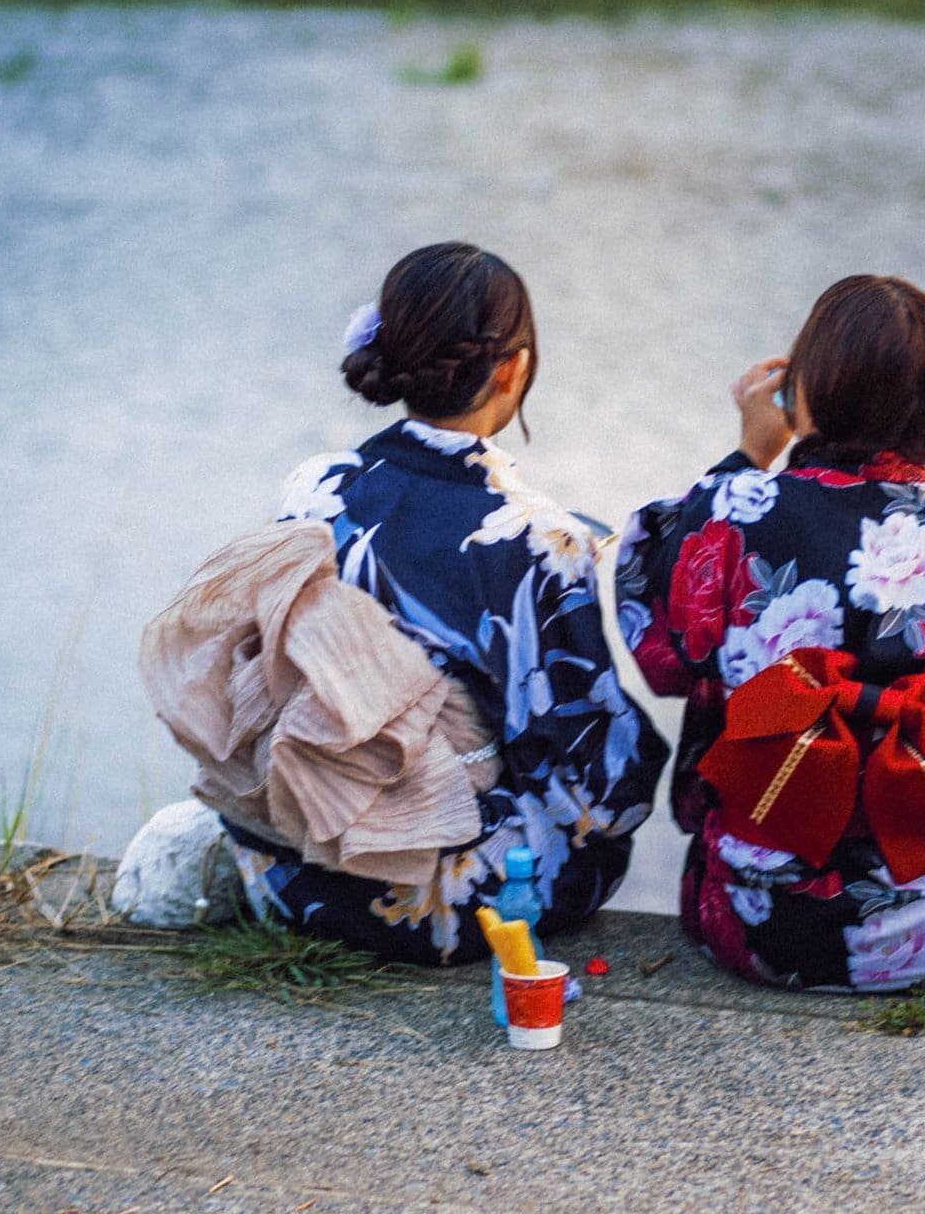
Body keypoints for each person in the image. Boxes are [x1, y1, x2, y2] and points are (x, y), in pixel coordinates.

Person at [615, 275, 925, 992]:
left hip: (759, 921)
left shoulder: (732, 515)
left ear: (804, 392)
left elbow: (660, 652)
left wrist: (749, 457)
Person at [221, 241, 669, 964]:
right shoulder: (538, 538)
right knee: (594, 824)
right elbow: (599, 786)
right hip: (434, 901)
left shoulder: (316, 486)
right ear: (512, 369)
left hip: (287, 870)